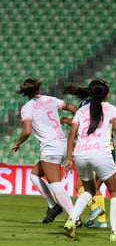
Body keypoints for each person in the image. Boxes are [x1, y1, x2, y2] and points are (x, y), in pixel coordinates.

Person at [63, 79, 116, 241]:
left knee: (88, 191)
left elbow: (71, 134)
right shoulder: (111, 109)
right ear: (107, 95)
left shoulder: (81, 111)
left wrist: (69, 158)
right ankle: (115, 232)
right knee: (115, 193)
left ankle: (71, 219)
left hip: (80, 155)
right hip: (101, 154)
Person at [9, 78, 77, 223]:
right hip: (63, 143)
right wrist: (75, 123)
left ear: (26, 93)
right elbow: (72, 108)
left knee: (55, 183)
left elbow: (27, 131)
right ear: (39, 90)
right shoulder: (50, 99)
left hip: (50, 147)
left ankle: (74, 217)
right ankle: (53, 206)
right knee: (34, 175)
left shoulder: (27, 108)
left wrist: (17, 143)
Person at [61, 83, 114, 228]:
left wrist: (67, 121)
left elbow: (84, 126)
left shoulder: (86, 106)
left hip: (95, 150)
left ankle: (96, 210)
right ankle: (101, 221)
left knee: (81, 185)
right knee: (96, 188)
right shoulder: (106, 106)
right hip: (108, 150)